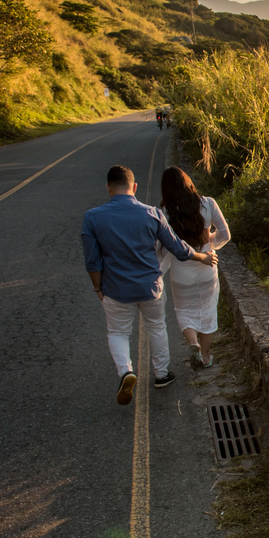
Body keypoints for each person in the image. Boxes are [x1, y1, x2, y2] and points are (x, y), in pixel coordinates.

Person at [82, 165, 217, 405]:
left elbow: (92, 261)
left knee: (118, 332)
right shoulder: (153, 213)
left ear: (109, 188)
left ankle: (126, 371)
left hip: (115, 289)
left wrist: (98, 288)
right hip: (150, 286)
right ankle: (162, 374)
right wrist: (202, 257)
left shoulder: (93, 217)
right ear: (134, 187)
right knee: (156, 326)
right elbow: (177, 247)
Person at [159, 166, 230, 371]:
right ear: (188, 182)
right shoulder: (208, 204)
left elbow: (162, 246)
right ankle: (206, 356)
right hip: (207, 265)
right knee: (207, 311)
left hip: (181, 270)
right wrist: (210, 245)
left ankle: (193, 344)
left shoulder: (164, 212)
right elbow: (225, 234)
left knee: (184, 310)